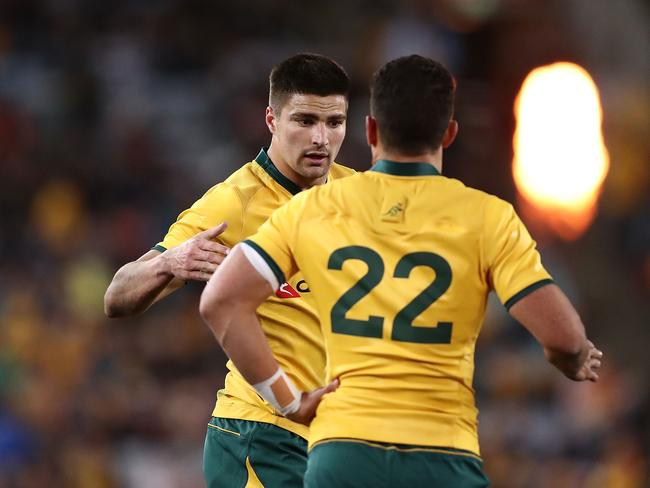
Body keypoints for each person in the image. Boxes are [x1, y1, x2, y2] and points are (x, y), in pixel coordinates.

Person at [198, 55, 603, 487]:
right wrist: (574, 358)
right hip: (442, 452)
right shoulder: (485, 217)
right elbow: (562, 337)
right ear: (449, 135)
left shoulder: (316, 208)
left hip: (343, 448)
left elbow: (222, 301)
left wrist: (290, 402)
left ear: (370, 130)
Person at [104, 53, 354, 487]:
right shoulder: (234, 204)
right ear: (272, 119)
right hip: (262, 437)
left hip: (337, 438)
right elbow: (116, 296)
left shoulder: (358, 193)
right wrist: (169, 262)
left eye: (334, 123)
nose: (321, 138)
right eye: (305, 120)